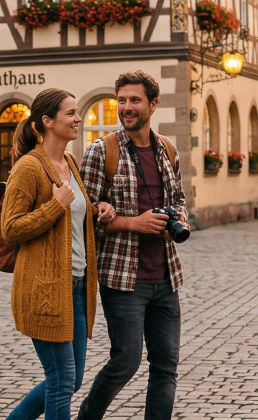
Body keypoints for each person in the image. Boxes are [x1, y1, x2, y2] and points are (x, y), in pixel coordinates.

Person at [76, 71, 187, 420]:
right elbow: (84, 213)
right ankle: (87, 416)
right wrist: (132, 222)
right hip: (123, 279)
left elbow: (180, 199)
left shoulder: (168, 149)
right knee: (126, 361)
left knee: (166, 366)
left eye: (135, 100)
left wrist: (177, 220)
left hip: (166, 277)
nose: (127, 107)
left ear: (153, 104)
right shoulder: (101, 151)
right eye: (121, 100)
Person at [0, 88, 97, 420]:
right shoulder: (28, 168)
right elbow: (10, 229)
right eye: (70, 113)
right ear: (47, 121)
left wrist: (99, 211)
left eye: (77, 111)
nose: (78, 118)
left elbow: (74, 217)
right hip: (46, 289)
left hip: (77, 289)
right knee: (61, 380)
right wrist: (55, 205)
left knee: (73, 378)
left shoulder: (69, 161)